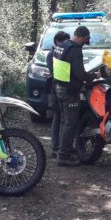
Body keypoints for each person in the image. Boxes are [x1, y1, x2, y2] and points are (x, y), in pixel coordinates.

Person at [53, 26, 101, 167]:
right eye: (85, 41)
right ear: (82, 37)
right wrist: (94, 76)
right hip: (70, 92)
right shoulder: (75, 50)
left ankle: (62, 149)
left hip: (59, 89)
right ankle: (63, 157)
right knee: (71, 124)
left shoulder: (61, 46)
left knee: (64, 122)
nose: (84, 44)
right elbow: (80, 74)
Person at [46, 31, 70, 159]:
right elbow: (55, 73)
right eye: (64, 42)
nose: (65, 44)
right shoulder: (51, 54)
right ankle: (56, 146)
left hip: (62, 90)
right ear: (57, 42)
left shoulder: (63, 53)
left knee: (64, 118)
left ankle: (62, 145)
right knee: (58, 117)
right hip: (56, 91)